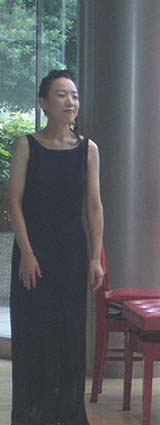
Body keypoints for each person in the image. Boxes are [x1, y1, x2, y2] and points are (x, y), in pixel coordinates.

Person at [8, 69, 104, 425]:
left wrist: (95, 258)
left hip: (71, 254)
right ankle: (33, 415)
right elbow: (14, 203)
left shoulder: (88, 149)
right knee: (34, 334)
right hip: (33, 254)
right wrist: (27, 253)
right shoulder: (26, 145)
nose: (70, 101)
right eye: (61, 95)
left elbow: (94, 207)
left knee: (68, 333)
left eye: (74, 95)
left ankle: (68, 413)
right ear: (43, 103)